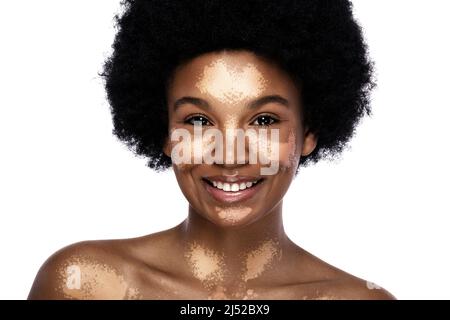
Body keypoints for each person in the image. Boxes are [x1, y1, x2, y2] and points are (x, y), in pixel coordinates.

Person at [28, 0, 395, 300]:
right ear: (165, 131)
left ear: (309, 130)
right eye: (199, 121)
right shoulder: (86, 285)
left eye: (264, 121)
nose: (230, 154)